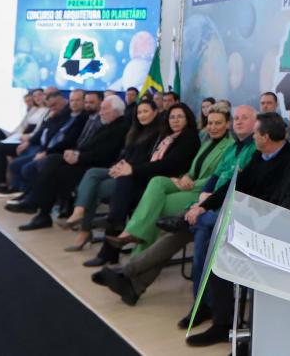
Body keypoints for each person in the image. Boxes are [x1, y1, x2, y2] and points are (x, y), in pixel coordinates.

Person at [185, 111, 290, 347]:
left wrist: (263, 228)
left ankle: (254, 339)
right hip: (273, 229)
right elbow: (276, 201)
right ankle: (224, 322)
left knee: (233, 250)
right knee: (218, 245)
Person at [91, 105, 259, 310]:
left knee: (160, 214)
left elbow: (232, 184)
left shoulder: (248, 149)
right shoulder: (226, 147)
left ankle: (129, 270)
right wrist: (188, 181)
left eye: (244, 118)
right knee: (163, 205)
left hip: (219, 206)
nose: (238, 122)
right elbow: (213, 176)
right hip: (206, 200)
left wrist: (203, 200)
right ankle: (132, 282)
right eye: (237, 118)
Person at [104, 103, 234, 253]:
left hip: (202, 194)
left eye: (218, 123)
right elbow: (193, 169)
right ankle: (132, 238)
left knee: (153, 206)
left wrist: (191, 182)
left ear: (228, 124)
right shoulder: (207, 143)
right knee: (157, 181)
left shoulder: (230, 146)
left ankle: (135, 252)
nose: (213, 127)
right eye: (210, 123)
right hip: (187, 183)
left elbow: (218, 179)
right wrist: (184, 177)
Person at [84, 102, 201, 267]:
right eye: (172, 117)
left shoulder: (188, 137)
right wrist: (128, 168)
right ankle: (114, 231)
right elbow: (150, 160)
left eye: (179, 117)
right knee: (124, 186)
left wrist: (133, 169)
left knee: (125, 189)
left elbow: (168, 165)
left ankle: (112, 239)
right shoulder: (168, 137)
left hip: (168, 183)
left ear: (188, 119)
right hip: (154, 178)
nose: (175, 120)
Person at [12, 95, 129, 230]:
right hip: (85, 160)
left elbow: (106, 155)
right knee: (52, 160)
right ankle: (39, 208)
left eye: (104, 109)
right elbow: (87, 145)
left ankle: (39, 210)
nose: (101, 112)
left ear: (115, 111)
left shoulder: (120, 127)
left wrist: (79, 157)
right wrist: (74, 152)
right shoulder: (108, 125)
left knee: (53, 171)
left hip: (96, 167)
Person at [61, 99, 162, 251]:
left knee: (95, 189)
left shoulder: (159, 134)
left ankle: (84, 231)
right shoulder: (135, 130)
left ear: (155, 112)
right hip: (123, 170)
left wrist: (126, 167)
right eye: (139, 112)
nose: (142, 115)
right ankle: (78, 212)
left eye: (146, 111)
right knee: (92, 173)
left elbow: (149, 161)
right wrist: (118, 165)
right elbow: (126, 155)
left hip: (135, 176)